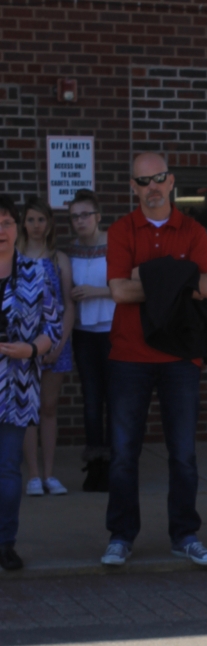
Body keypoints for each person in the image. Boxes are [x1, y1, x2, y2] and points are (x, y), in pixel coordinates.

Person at [103, 152, 207, 567]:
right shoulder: (121, 230)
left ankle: (184, 534)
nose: (151, 187)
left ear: (171, 181)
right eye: (143, 181)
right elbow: (119, 290)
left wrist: (146, 276)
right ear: (133, 187)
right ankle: (121, 536)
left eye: (158, 178)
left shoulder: (192, 229)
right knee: (123, 454)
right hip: (128, 355)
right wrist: (178, 276)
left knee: (183, 454)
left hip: (181, 357)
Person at [0, 196, 62, 571]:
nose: (1, 231)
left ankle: (5, 543)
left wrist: (31, 349)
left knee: (8, 467)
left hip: (16, 384)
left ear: (17, 227)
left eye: (6, 223)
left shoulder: (37, 273)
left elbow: (52, 329)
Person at [18, 197, 74, 496]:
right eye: (31, 220)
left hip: (55, 342)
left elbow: (69, 304)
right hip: (24, 344)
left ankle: (50, 474)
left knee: (49, 407)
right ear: (23, 223)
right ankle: (33, 476)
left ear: (49, 223)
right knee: (28, 408)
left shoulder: (58, 258)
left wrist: (59, 343)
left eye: (41, 220)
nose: (36, 225)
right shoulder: (12, 257)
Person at [67, 189, 115, 492]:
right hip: (83, 331)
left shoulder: (113, 246)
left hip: (111, 329)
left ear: (97, 216)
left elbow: (126, 284)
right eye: (74, 216)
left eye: (85, 214)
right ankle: (95, 463)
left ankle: (115, 462)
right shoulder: (70, 251)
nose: (80, 221)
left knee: (115, 398)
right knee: (91, 399)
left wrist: (95, 291)